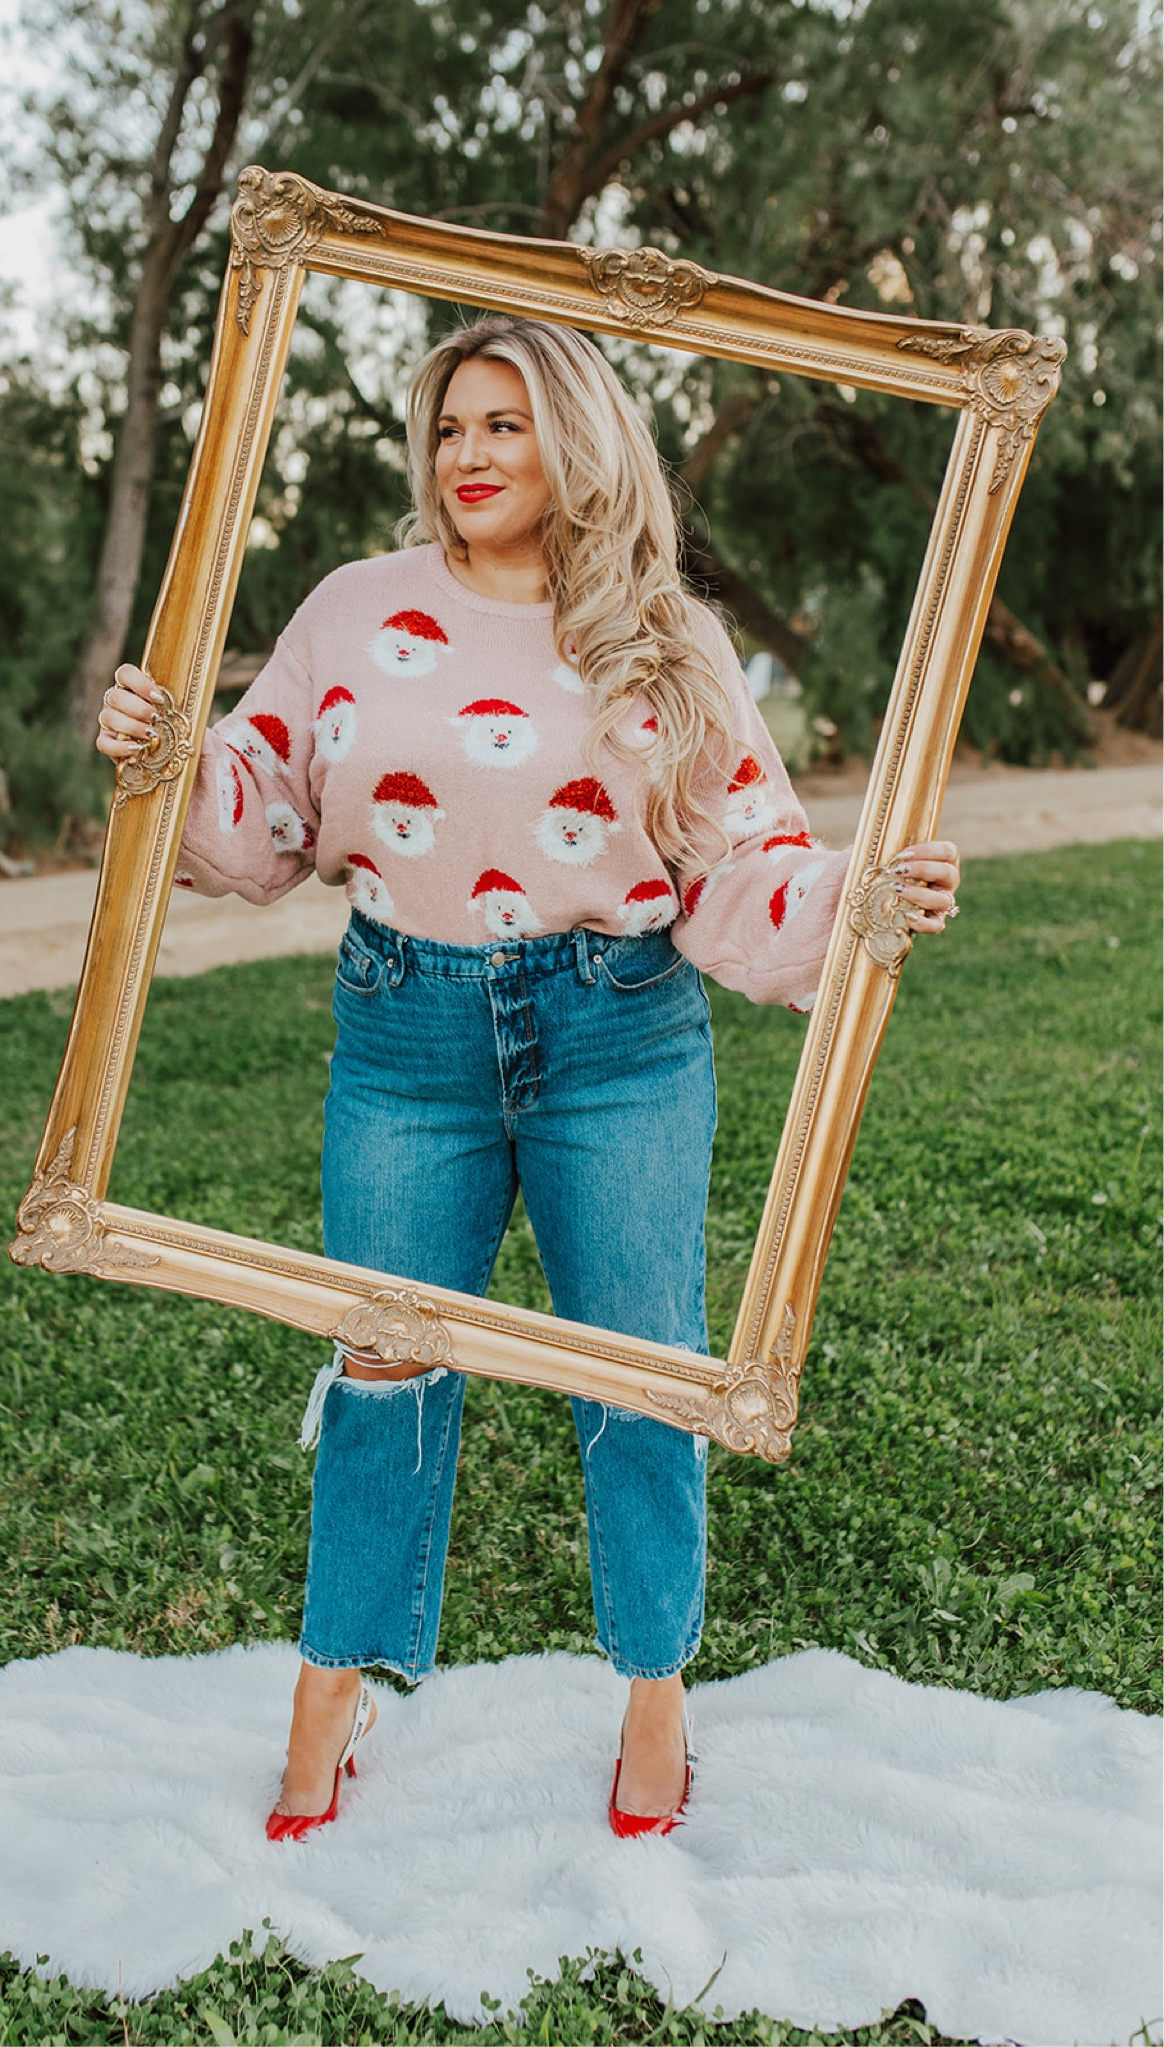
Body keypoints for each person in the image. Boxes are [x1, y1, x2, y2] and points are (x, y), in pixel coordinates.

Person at [97, 315, 960, 1842]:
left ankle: (652, 1693)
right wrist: (170, 756)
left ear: (575, 437)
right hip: (402, 1032)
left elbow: (739, 861)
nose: (469, 457)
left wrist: (860, 899)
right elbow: (263, 817)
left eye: (503, 424)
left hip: (614, 1035)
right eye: (447, 428)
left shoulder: (664, 635)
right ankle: (331, 1690)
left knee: (641, 1371)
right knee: (379, 1362)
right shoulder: (357, 610)